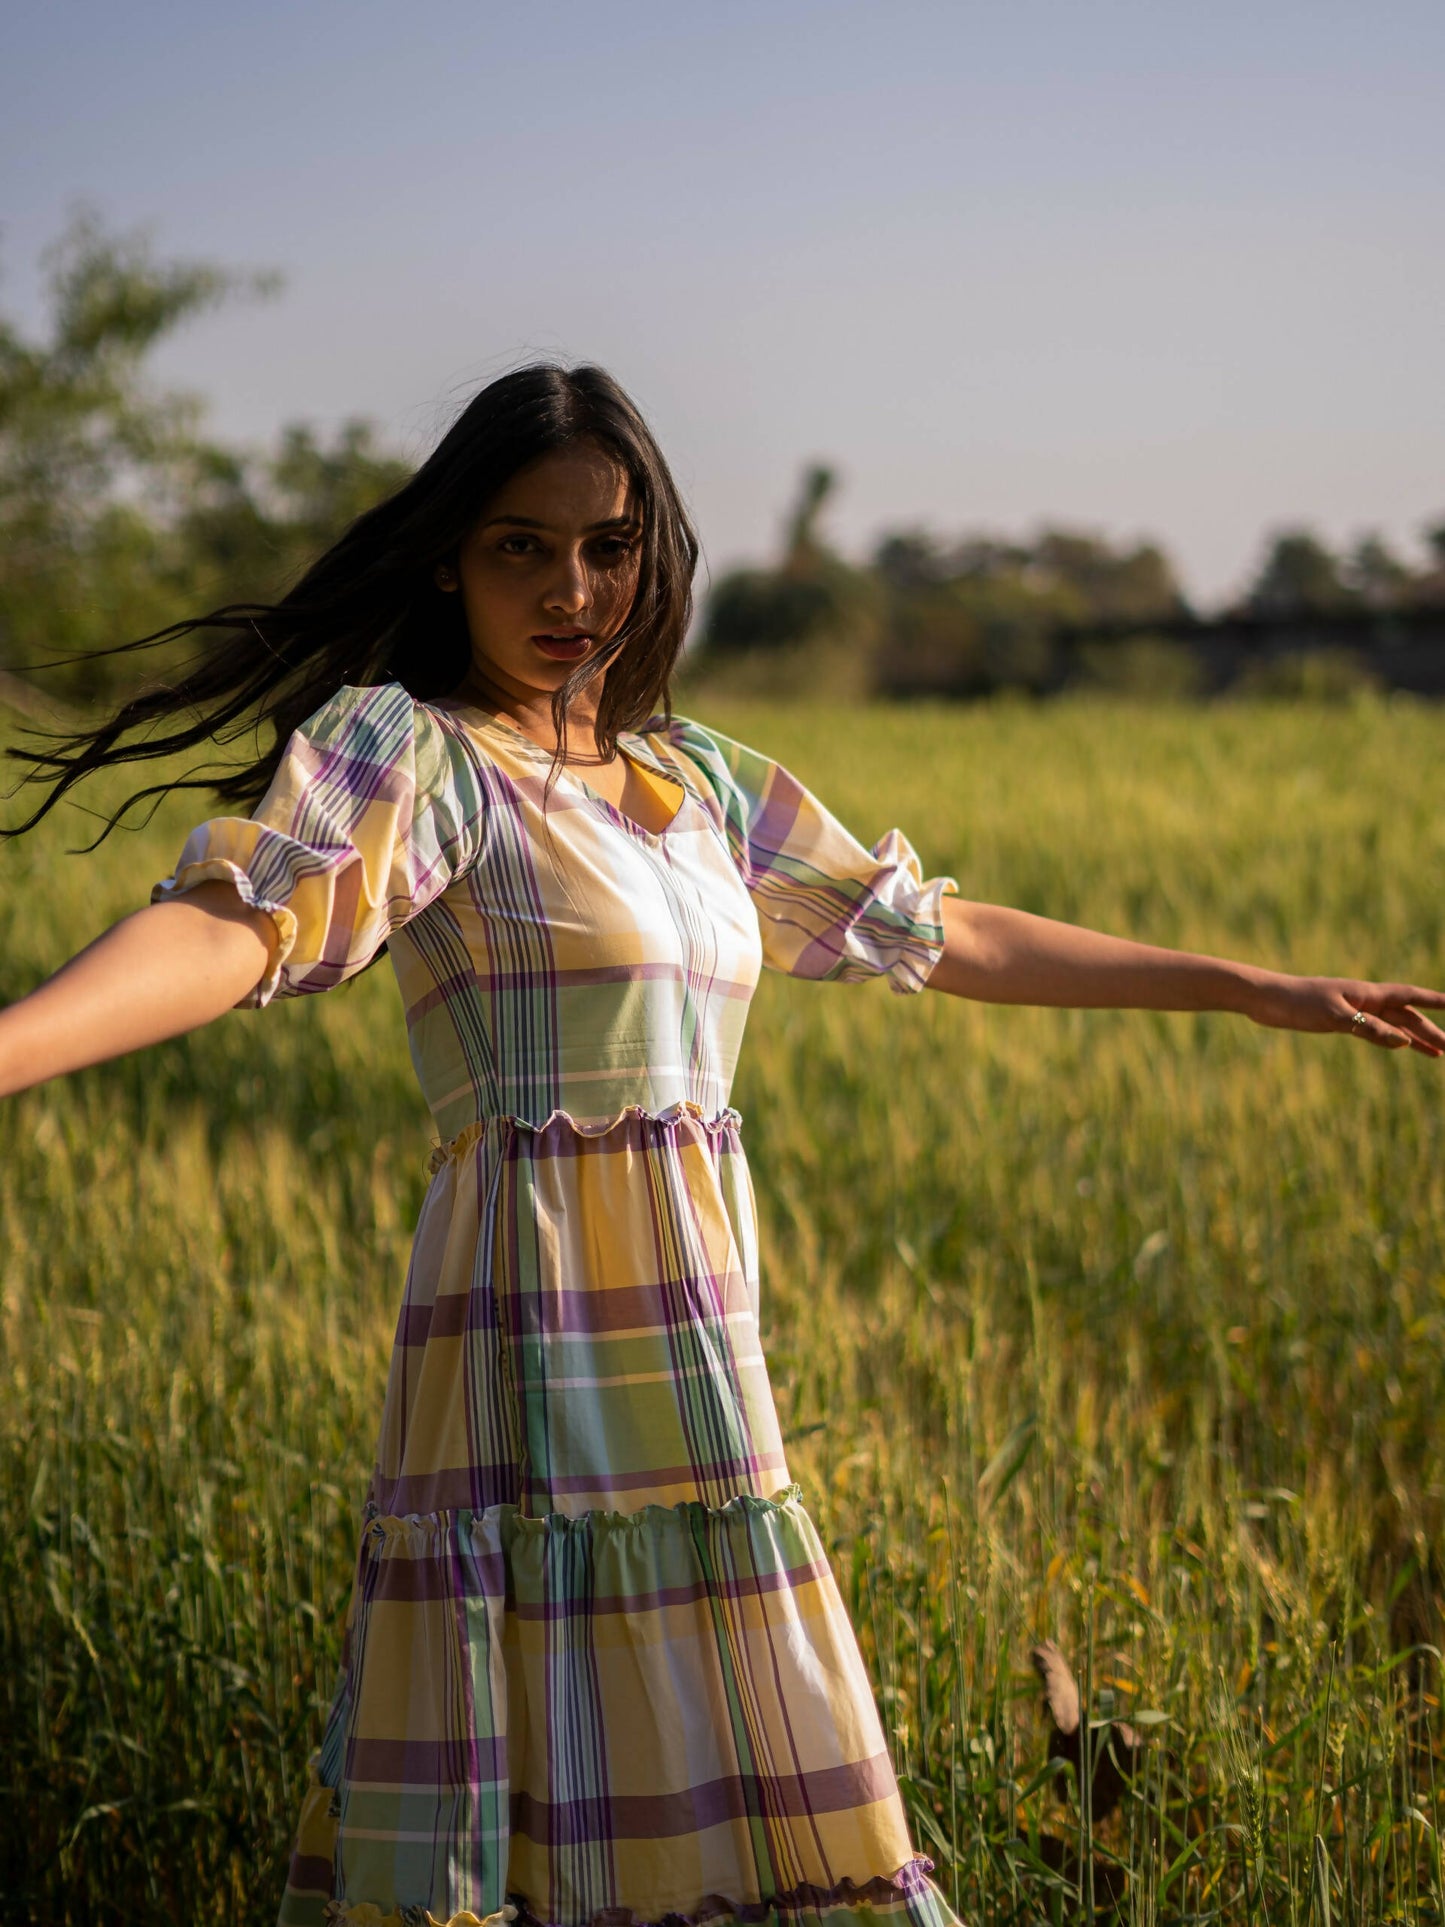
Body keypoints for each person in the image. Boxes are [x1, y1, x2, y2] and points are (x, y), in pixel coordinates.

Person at [2, 364, 1440, 1927]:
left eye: (608, 547)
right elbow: (242, 928)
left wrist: (1255, 990)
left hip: (695, 1350)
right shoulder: (416, 757)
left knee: (743, 1761)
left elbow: (941, 937)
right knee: (543, 1778)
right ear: (444, 559)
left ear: (654, 552)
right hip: (528, 1349)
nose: (572, 590)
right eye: (519, 548)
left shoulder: (698, 781)